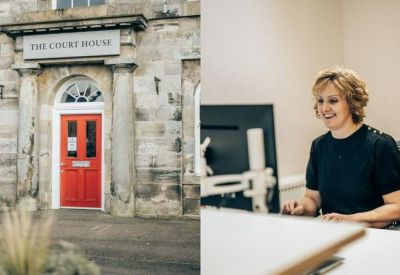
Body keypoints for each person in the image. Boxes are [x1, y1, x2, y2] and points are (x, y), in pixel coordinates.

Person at [282, 67, 400, 228]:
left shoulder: (380, 145)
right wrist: (300, 209)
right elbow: (313, 199)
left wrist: (352, 219)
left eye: (333, 100)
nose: (324, 108)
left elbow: (397, 207)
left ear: (352, 103)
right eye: (320, 100)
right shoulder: (319, 146)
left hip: (375, 238)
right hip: (334, 237)